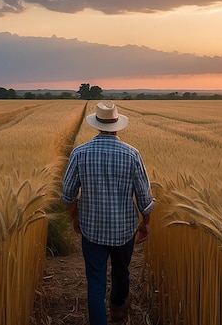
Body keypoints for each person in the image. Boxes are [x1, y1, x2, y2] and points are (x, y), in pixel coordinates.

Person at [62, 101, 155, 324]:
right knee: (122, 271)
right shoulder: (132, 154)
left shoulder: (80, 153)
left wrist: (75, 217)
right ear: (117, 125)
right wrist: (146, 222)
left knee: (95, 282)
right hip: (123, 231)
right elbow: (144, 196)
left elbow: (67, 193)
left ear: (97, 125)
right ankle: (116, 308)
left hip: (91, 230)